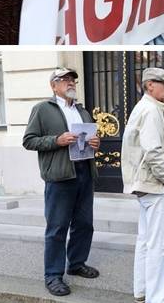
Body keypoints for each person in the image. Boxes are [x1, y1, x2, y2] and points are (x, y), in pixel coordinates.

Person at [22, 68, 101, 297]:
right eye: (64, 79)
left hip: (84, 171)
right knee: (57, 227)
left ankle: (76, 263)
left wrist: (96, 143)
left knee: (84, 224)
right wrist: (57, 140)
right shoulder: (43, 109)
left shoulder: (82, 111)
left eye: (72, 79)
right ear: (53, 86)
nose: (70, 82)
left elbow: (90, 138)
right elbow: (29, 141)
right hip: (60, 175)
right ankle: (53, 275)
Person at [122, 67, 164, 303]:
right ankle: (157, 299)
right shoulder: (151, 110)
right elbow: (153, 151)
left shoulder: (145, 108)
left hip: (148, 185)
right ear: (150, 85)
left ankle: (143, 291)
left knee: (146, 241)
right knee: (160, 244)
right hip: (156, 186)